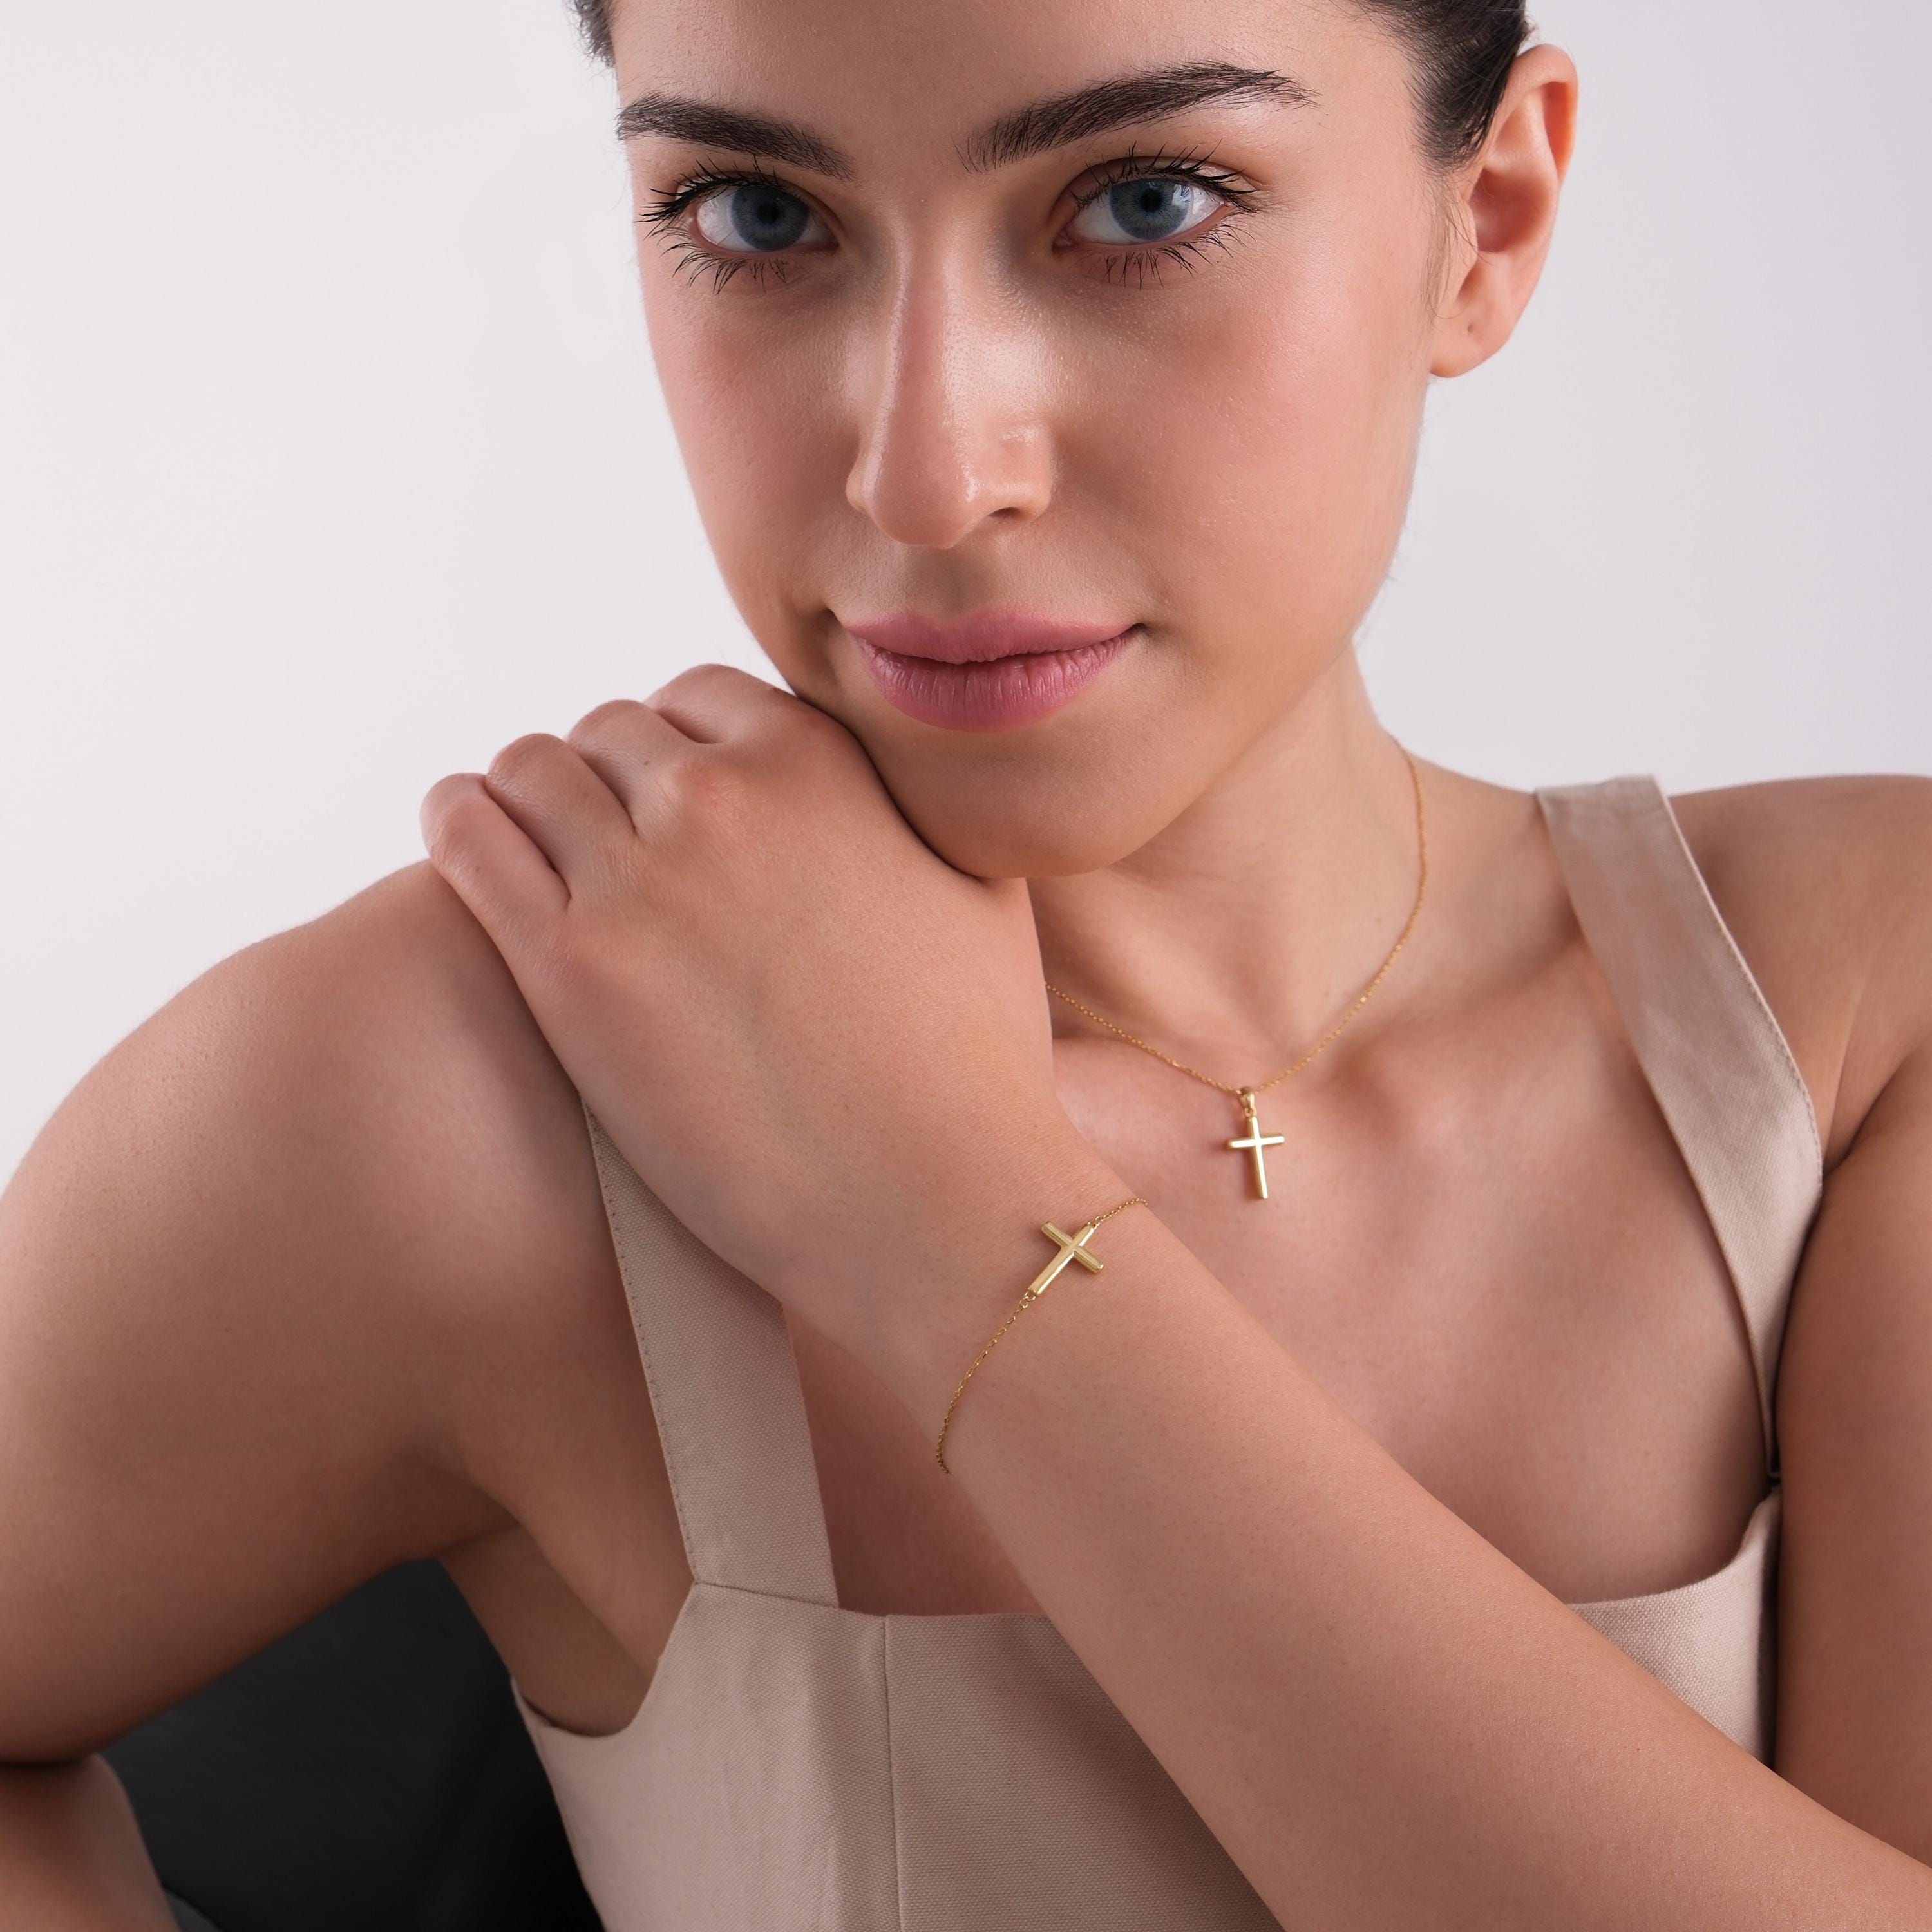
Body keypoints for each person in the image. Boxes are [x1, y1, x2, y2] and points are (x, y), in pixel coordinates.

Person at [4, 0, 1930, 1924]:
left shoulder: (1858, 1029)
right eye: (758, 215)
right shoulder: (428, 1102)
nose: (928, 475)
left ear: (1487, 219)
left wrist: (943, 1209)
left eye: (1145, 200)